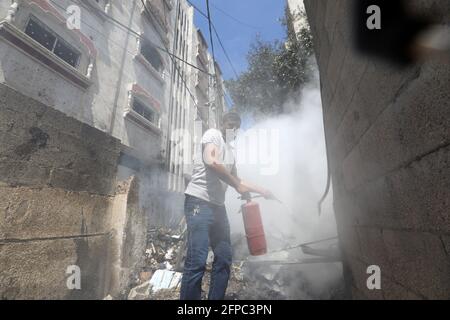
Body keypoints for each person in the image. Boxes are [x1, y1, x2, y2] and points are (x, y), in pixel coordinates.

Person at [180, 111, 275, 300]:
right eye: (231, 124)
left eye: (237, 127)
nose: (234, 129)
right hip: (199, 202)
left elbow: (237, 179)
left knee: (223, 258)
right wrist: (238, 185)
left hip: (218, 207)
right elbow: (212, 161)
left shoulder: (231, 153)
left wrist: (263, 190)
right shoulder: (212, 134)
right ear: (222, 123)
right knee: (197, 260)